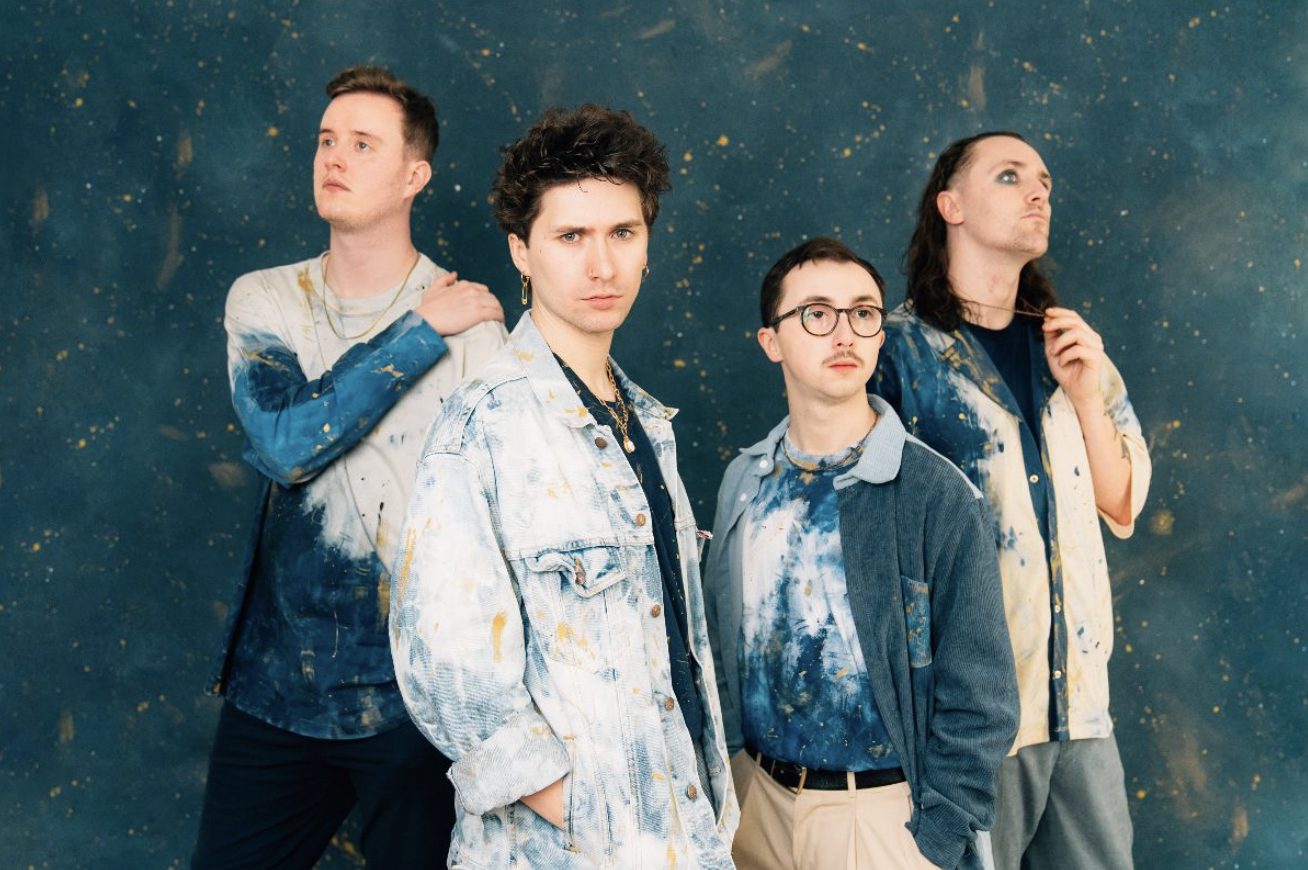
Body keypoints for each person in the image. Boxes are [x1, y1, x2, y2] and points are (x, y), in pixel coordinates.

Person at [389, 104, 738, 868]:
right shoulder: (483, 426)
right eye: (571, 237)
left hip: (680, 839)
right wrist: (577, 810)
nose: (602, 266)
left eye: (623, 233)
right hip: (564, 850)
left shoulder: (647, 424)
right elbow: (444, 663)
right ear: (521, 250)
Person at [193, 65, 505, 868]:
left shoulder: (475, 330)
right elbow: (285, 446)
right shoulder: (266, 300)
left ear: (414, 176)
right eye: (327, 140)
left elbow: (498, 528)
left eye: (364, 144)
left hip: (415, 699)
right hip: (278, 691)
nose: (334, 156)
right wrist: (417, 333)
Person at [874, 132, 1152, 870]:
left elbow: (1122, 502)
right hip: (967, 722)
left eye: (1045, 182)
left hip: (1081, 712)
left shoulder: (1073, 347)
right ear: (951, 205)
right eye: (1009, 176)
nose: (1038, 193)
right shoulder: (896, 354)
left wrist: (1086, 397)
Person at [703, 237, 1018, 870]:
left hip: (881, 819)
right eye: (817, 314)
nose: (844, 333)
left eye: (863, 313)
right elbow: (719, 642)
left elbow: (983, 697)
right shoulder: (745, 482)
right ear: (771, 342)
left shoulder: (934, 494)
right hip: (755, 802)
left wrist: (936, 841)